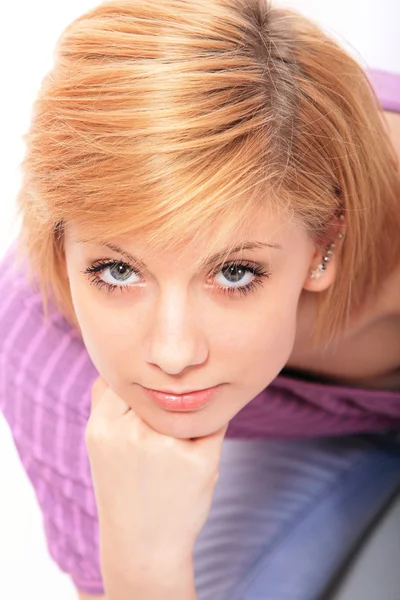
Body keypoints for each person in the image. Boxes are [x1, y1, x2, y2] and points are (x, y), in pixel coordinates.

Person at [0, 0, 400, 598]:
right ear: (60, 250)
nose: (173, 352)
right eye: (116, 270)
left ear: (325, 246)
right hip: (331, 444)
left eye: (235, 273)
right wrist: (143, 564)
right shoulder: (43, 347)